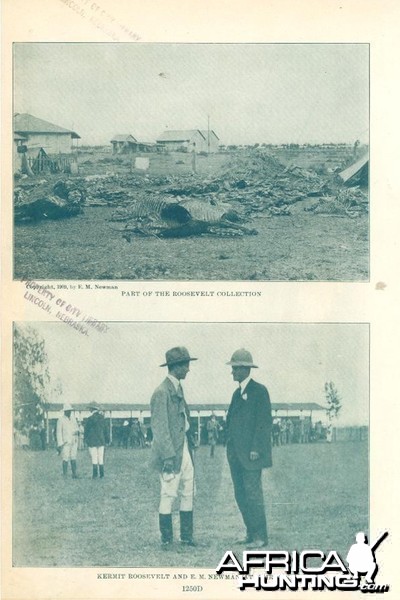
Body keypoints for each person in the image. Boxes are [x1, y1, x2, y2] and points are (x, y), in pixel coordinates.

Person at [150, 346, 197, 549]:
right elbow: (160, 429)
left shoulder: (178, 388)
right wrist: (168, 456)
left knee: (188, 489)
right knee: (168, 493)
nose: (188, 369)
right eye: (186, 365)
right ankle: (167, 540)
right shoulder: (161, 392)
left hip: (184, 448)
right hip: (171, 453)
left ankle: (186, 538)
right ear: (176, 366)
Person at [226, 349, 272, 548]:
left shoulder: (259, 391)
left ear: (245, 369)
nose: (232, 372)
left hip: (252, 455)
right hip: (236, 455)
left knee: (253, 493)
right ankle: (250, 532)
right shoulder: (237, 394)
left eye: (235, 368)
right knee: (241, 494)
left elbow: (264, 423)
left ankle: (260, 536)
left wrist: (256, 448)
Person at [84, 402, 110, 479]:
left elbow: (86, 431)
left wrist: (85, 439)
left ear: (92, 410)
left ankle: (95, 474)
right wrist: (107, 440)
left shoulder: (89, 419)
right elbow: (106, 431)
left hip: (92, 441)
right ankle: (102, 474)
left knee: (94, 458)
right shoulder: (102, 418)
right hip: (101, 440)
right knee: (101, 457)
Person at [56, 403, 79, 479]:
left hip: (74, 441)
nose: (69, 412)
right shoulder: (61, 420)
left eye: (70, 411)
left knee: (73, 457)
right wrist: (60, 443)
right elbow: (59, 432)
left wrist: (76, 431)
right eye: (68, 411)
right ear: (64, 411)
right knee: (65, 457)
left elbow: (76, 428)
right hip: (65, 442)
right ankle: (65, 474)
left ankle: (74, 474)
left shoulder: (73, 419)